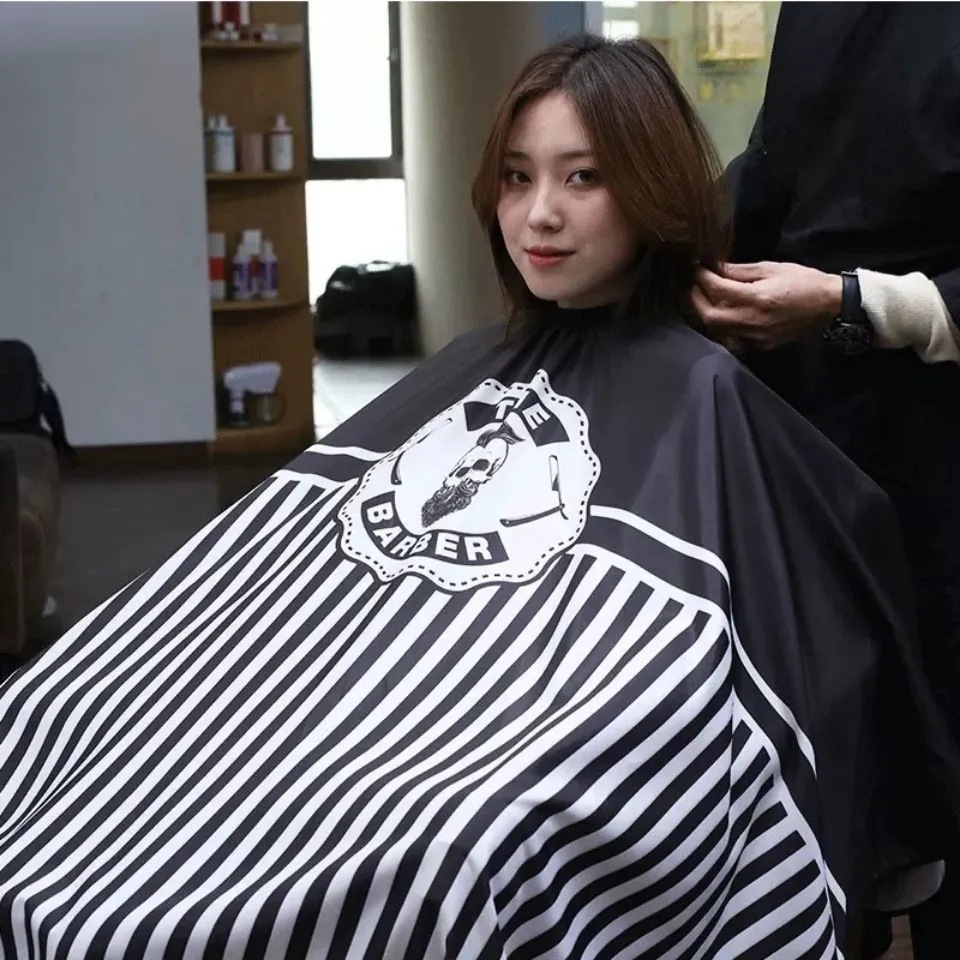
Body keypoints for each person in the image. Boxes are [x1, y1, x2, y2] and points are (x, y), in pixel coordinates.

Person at [0, 35, 958, 960]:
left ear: (654, 191)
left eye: (583, 178)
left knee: (445, 842)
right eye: (516, 176)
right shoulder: (471, 366)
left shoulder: (709, 400)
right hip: (387, 708)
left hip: (495, 759)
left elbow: (726, 662)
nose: (539, 215)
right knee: (58, 706)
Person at [691, 6, 960, 957]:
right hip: (811, 443)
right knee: (834, 772)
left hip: (937, 451)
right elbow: (776, 169)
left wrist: (856, 301)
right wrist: (664, 232)